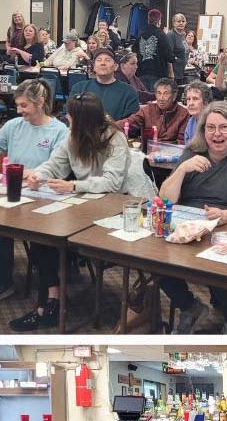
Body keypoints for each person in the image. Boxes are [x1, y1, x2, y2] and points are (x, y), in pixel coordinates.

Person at [10, 92, 155, 332]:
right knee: (41, 235)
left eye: (71, 116)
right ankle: (53, 301)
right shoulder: (72, 135)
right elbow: (56, 163)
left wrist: (74, 185)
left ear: (84, 119)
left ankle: (55, 299)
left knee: (56, 241)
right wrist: (39, 175)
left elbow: (112, 183)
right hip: (82, 203)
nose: (67, 119)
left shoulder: (114, 138)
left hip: (116, 206)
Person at [133, 101, 227, 334]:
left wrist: (224, 216)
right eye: (211, 128)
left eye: (224, 127)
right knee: (154, 258)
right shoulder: (192, 151)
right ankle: (189, 306)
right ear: (203, 130)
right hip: (192, 224)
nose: (217, 134)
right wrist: (184, 168)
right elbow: (166, 199)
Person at [0, 80, 67, 303]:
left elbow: (57, 168)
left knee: (5, 228)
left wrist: (27, 173)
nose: (19, 110)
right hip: (12, 192)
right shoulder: (14, 125)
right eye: (18, 105)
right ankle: (1, 282)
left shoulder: (59, 131)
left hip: (43, 196)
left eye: (24, 105)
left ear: (40, 102)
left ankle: (2, 283)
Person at [69, 48, 139, 121]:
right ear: (94, 67)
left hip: (115, 131)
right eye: (99, 60)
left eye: (107, 60)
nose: (103, 63)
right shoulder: (79, 88)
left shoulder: (128, 92)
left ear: (116, 66)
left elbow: (130, 122)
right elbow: (70, 116)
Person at [127, 77, 189, 145]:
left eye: (166, 94)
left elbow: (182, 143)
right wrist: (113, 127)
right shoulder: (147, 110)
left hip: (172, 153)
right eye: (159, 93)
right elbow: (129, 122)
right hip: (148, 152)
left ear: (174, 96)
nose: (161, 98)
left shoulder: (183, 114)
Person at [136, 8, 173, 89]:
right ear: (159, 21)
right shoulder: (161, 34)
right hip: (157, 73)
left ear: (148, 20)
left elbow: (134, 50)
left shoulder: (141, 33)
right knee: (155, 99)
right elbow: (169, 56)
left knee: (143, 98)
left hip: (141, 72)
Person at [168, 13, 189, 83]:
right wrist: (171, 74)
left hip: (182, 72)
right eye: (179, 21)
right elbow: (168, 55)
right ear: (174, 23)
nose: (181, 23)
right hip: (174, 73)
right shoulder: (171, 35)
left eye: (183, 21)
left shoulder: (183, 34)